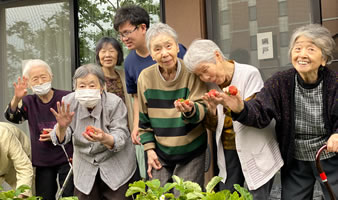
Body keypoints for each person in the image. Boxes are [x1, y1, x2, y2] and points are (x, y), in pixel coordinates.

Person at [220, 24, 338, 199]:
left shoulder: (334, 83)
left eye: (311, 49)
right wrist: (240, 107)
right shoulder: (281, 82)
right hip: (296, 158)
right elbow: (260, 111)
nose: (302, 54)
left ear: (324, 59)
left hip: (328, 156)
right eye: (297, 48)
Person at [183, 39, 283, 199]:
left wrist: (229, 105)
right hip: (229, 148)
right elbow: (213, 126)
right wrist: (213, 111)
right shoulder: (211, 85)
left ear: (217, 56)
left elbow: (255, 116)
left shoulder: (249, 74)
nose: (205, 77)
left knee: (258, 195)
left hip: (254, 147)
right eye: (199, 75)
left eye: (205, 70)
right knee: (228, 194)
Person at [50, 64, 138, 200]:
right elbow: (61, 138)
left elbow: (121, 135)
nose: (87, 90)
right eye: (82, 86)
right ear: (75, 87)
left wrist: (104, 138)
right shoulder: (68, 102)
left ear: (102, 87)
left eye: (92, 85)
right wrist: (61, 127)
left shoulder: (114, 103)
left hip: (116, 164)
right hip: (85, 165)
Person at [137, 22, 208, 192]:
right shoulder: (145, 78)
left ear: (177, 47)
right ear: (152, 55)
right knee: (156, 195)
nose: (164, 53)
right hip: (160, 152)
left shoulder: (190, 72)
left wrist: (190, 110)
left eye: (168, 46)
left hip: (191, 151)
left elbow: (203, 109)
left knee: (183, 195)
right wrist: (150, 150)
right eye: (157, 49)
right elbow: (144, 121)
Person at [113, 5, 186, 145]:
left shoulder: (175, 51)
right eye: (121, 34)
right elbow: (137, 98)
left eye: (127, 32)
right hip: (152, 133)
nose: (124, 38)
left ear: (143, 27)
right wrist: (137, 126)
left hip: (181, 128)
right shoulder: (129, 62)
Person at [4, 59, 74, 200]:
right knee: (43, 196)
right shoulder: (28, 101)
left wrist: (56, 133)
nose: (41, 82)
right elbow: (12, 117)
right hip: (42, 161)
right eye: (35, 79)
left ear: (51, 77)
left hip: (67, 157)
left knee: (70, 196)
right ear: (28, 83)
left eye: (44, 77)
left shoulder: (67, 97)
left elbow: (76, 124)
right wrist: (16, 99)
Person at [95, 36, 145, 178]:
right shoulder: (94, 77)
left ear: (119, 54)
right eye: (103, 51)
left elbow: (135, 99)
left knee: (131, 174)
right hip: (105, 135)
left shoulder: (124, 74)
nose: (107, 55)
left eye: (112, 51)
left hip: (127, 133)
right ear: (98, 55)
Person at [0, 122, 33, 197]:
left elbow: (24, 166)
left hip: (19, 158)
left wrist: (22, 194)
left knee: (27, 193)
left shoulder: (5, 135)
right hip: (2, 165)